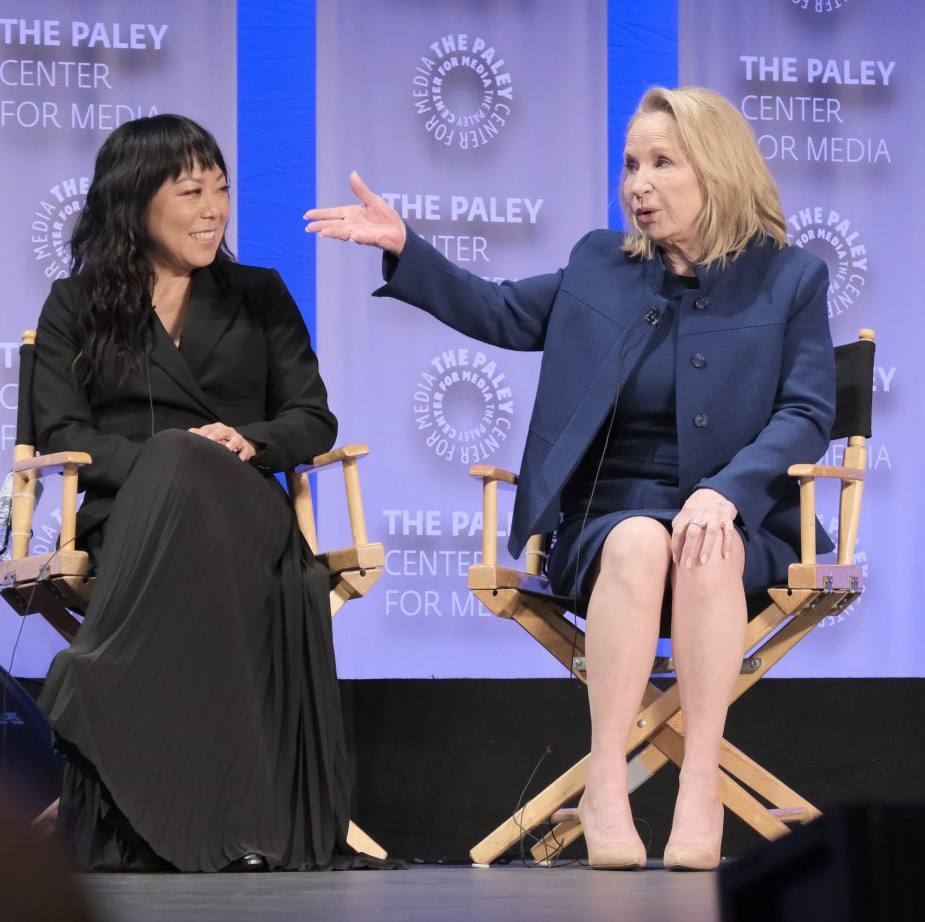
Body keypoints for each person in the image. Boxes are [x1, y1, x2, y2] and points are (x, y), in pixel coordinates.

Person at [305, 86, 835, 871]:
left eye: (662, 163)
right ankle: (606, 786)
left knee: (705, 542)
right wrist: (406, 246)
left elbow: (807, 411)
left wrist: (726, 492)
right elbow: (501, 312)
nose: (638, 185)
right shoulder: (601, 265)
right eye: (630, 165)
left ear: (718, 169)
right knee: (638, 542)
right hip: (606, 521)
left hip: (737, 522)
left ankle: (698, 784)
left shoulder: (789, 279)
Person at [33, 114, 352, 872]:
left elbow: (312, 416)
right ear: (134, 201)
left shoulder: (259, 295)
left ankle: (96, 681)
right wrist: (165, 460)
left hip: (244, 514)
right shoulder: (76, 305)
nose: (214, 210)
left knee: (192, 457)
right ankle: (216, 819)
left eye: (221, 189)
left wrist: (248, 442)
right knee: (176, 453)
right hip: (131, 519)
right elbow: (63, 434)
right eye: (191, 192)